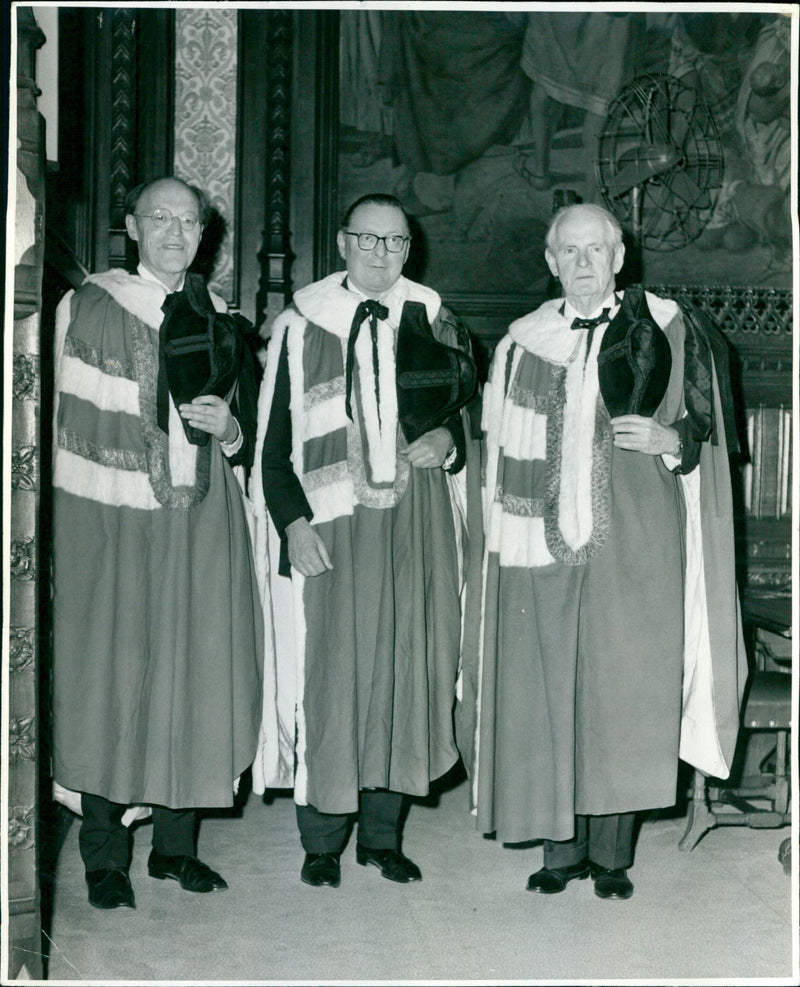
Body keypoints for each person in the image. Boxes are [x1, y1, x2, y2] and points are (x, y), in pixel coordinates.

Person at [466, 203, 746, 900]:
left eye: (597, 249)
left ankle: (613, 854)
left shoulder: (667, 327)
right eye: (570, 250)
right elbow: (495, 458)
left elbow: (708, 430)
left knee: (625, 688)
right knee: (552, 682)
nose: (584, 262)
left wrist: (671, 439)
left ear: (621, 256)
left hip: (639, 531)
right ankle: (560, 849)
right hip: (541, 541)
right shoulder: (520, 343)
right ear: (550, 259)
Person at [251, 192, 480, 889]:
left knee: (409, 674)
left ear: (409, 249)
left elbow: (469, 418)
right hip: (332, 524)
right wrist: (292, 523)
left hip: (417, 523)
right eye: (368, 239)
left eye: (395, 241)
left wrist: (448, 438)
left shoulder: (438, 320)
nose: (381, 253)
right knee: (334, 676)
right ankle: (322, 839)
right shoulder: (300, 326)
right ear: (344, 243)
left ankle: (383, 835)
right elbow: (272, 445)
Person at [51, 176, 263, 910]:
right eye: (161, 219)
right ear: (133, 228)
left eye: (189, 222)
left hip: (202, 520)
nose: (176, 232)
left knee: (194, 671)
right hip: (114, 523)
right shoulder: (90, 307)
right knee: (113, 674)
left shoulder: (225, 320)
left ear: (204, 237)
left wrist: (232, 430)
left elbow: (252, 434)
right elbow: (59, 428)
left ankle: (176, 849)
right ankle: (105, 856)